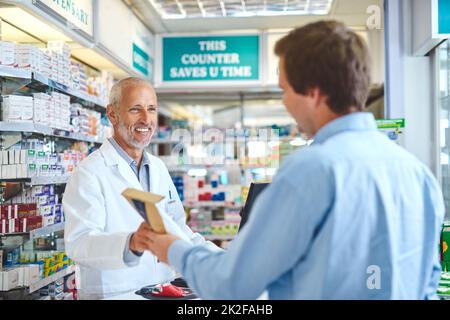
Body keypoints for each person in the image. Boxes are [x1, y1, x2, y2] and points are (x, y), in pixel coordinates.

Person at [144, 21, 445, 299]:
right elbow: (428, 283)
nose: (284, 102)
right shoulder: (418, 174)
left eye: (285, 90)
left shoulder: (310, 170)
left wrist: (173, 249)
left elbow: (233, 284)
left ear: (313, 93)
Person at [63, 77, 218, 300]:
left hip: (161, 291)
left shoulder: (158, 168)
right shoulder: (89, 172)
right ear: (113, 114)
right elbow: (79, 244)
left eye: (152, 109)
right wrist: (131, 243)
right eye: (135, 109)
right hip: (115, 294)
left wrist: (223, 259)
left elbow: (179, 231)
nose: (146, 119)